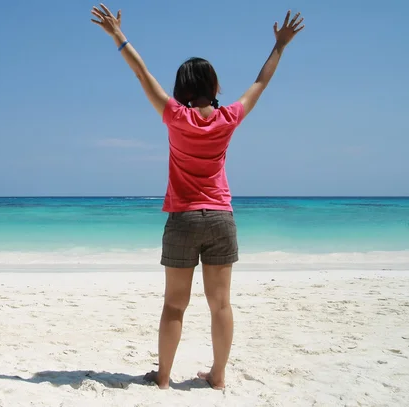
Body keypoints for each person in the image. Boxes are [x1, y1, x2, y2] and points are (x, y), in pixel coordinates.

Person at [91, 4, 304, 390]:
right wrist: (280, 46)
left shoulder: (174, 116)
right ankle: (218, 376)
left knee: (175, 304)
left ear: (181, 89)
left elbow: (142, 74)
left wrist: (117, 36)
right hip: (221, 217)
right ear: (214, 86)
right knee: (220, 304)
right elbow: (260, 83)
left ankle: (164, 379)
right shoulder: (228, 118)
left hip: (183, 218)